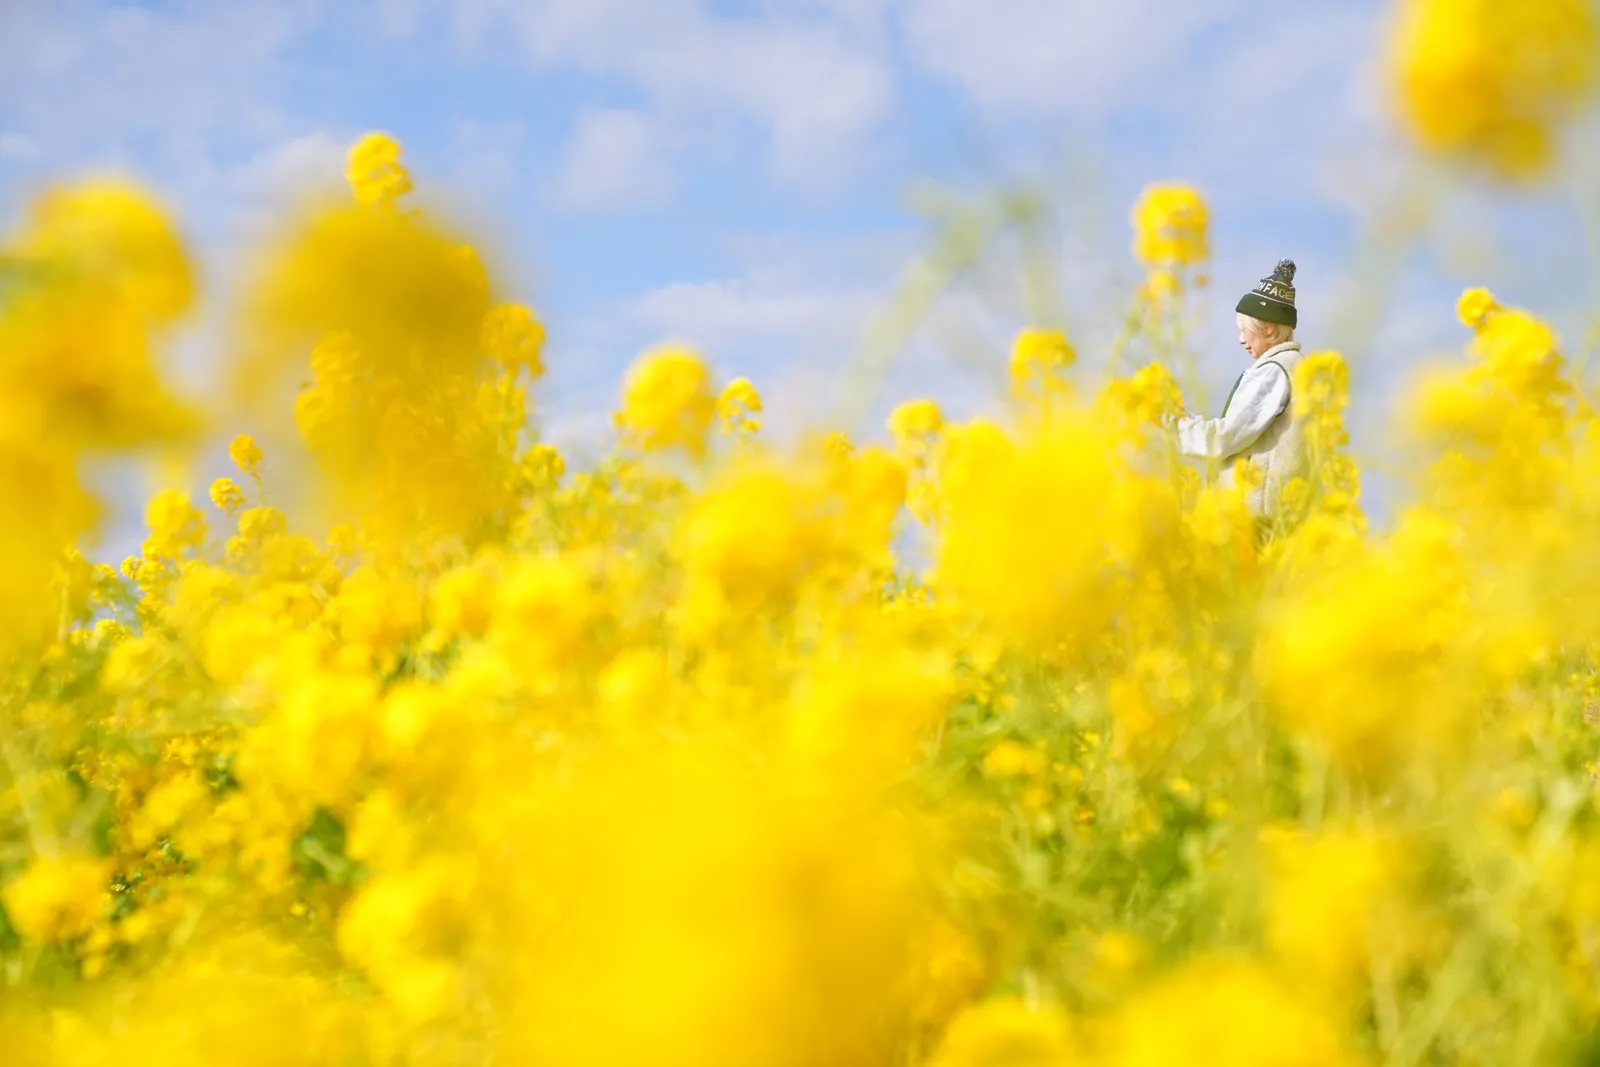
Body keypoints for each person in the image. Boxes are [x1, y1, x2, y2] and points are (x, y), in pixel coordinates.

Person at [1174, 259, 1307, 524]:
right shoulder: (1297, 367)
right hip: (1284, 517)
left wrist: (1175, 425)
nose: (1241, 340)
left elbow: (1227, 437)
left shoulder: (1274, 371)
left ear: (1268, 329)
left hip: (1256, 522)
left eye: (1244, 330)